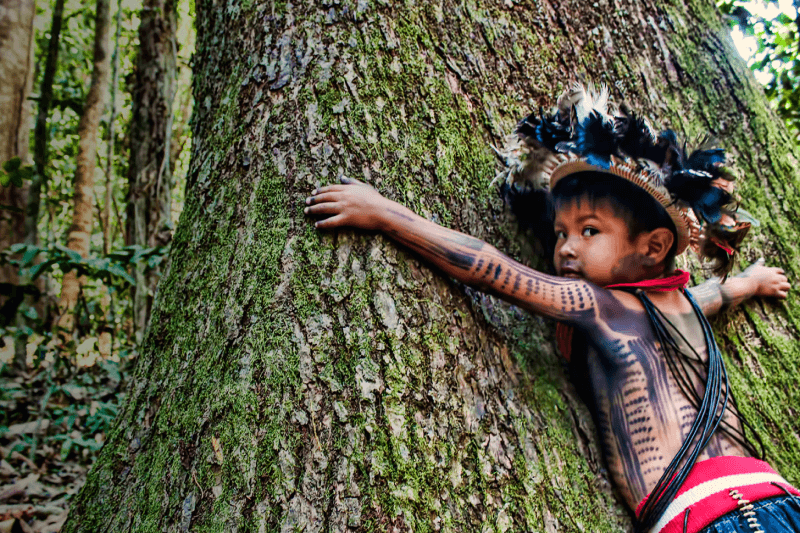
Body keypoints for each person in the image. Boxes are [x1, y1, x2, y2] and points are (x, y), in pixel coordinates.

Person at [304, 84, 798, 533]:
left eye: (588, 231)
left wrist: (385, 214)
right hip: (777, 498)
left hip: (715, 518)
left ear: (654, 247)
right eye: (560, 233)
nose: (564, 247)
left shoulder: (601, 304)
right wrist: (751, 281)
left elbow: (490, 268)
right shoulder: (680, 307)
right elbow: (718, 296)